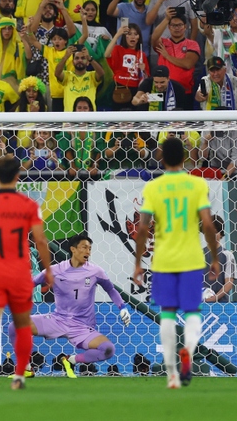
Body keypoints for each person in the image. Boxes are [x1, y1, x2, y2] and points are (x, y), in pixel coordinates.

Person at [133, 136, 219, 389]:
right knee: (192, 312)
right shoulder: (196, 184)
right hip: (191, 259)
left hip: (164, 260)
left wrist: (138, 262)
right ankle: (188, 353)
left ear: (161, 158)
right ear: (184, 158)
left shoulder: (153, 188)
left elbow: (142, 229)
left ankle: (171, 373)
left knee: (167, 315)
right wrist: (214, 257)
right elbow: (208, 225)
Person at [0, 155, 54, 390]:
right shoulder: (28, 205)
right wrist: (48, 271)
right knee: (23, 325)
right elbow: (41, 241)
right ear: (18, 176)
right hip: (19, 273)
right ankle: (18, 377)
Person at [13, 233, 130, 378]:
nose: (88, 251)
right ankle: (26, 369)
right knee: (15, 326)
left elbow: (111, 289)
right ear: (73, 249)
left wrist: (122, 308)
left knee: (108, 350)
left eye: (90, 248)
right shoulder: (55, 270)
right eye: (84, 247)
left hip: (82, 326)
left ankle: (70, 360)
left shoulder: (95, 271)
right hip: (57, 320)